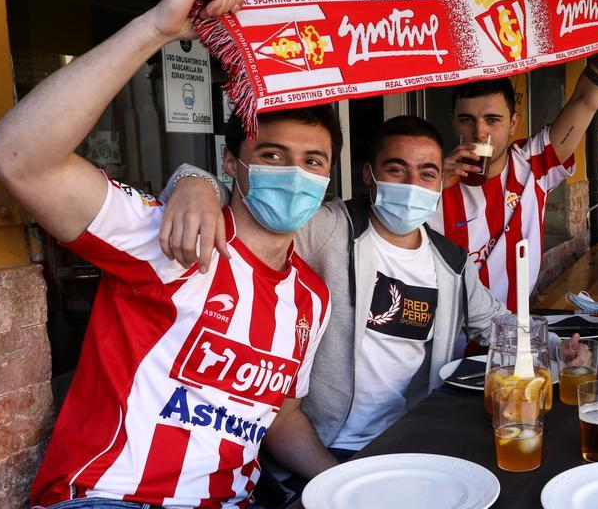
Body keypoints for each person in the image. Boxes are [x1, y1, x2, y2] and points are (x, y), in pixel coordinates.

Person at [0, 0, 337, 509]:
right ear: (233, 164)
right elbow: (18, 156)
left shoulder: (310, 295)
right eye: (274, 154)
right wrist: (156, 30)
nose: (296, 174)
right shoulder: (170, 234)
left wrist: (345, 486)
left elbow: (278, 412)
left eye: (313, 162)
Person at [160, 115, 516, 482]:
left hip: (409, 441)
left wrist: (555, 348)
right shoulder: (331, 227)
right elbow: (252, 207)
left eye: (427, 174)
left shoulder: (451, 262)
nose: (412, 185)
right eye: (396, 169)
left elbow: (497, 326)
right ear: (369, 175)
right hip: (326, 443)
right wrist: (196, 184)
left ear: (441, 181)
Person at [435, 0, 598, 311]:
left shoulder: (532, 162)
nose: (480, 133)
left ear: (513, 124)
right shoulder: (428, 178)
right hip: (448, 345)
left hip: (513, 334)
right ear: (454, 122)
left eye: (493, 120)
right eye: (467, 119)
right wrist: (432, 183)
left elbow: (586, 97)